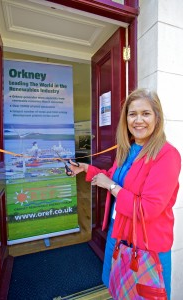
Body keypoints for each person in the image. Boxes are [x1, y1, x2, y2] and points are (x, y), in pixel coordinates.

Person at [68, 88, 181, 299]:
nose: (138, 120)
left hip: (147, 248)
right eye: (132, 114)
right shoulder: (127, 149)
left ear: (157, 117)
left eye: (145, 113)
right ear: (126, 119)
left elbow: (147, 208)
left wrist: (111, 186)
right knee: (118, 291)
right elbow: (112, 177)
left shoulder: (168, 155)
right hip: (118, 235)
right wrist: (86, 169)